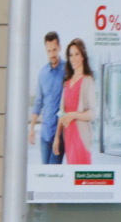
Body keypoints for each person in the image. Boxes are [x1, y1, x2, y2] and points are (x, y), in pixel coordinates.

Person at [54, 38, 95, 166]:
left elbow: (92, 113)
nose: (73, 58)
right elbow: (61, 112)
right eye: (71, 55)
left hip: (82, 137)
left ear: (83, 56)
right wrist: (57, 137)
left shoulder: (88, 80)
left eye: (77, 54)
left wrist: (73, 115)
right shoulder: (67, 82)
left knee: (82, 178)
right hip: (68, 136)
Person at [28, 31, 65, 164]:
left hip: (60, 134)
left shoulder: (67, 70)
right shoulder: (43, 73)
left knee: (53, 173)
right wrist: (32, 128)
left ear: (59, 48)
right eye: (49, 51)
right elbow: (38, 102)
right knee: (45, 172)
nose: (52, 54)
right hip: (45, 134)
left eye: (54, 50)